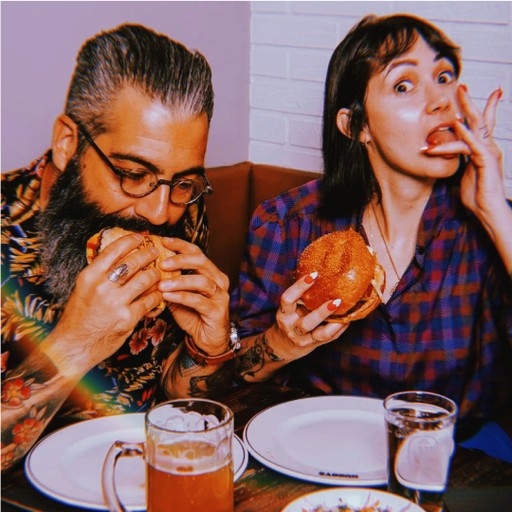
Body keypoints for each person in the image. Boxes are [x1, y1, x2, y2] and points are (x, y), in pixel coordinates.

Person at [232, 14, 512, 444]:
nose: (440, 100)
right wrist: (281, 342)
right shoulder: (288, 223)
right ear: (356, 126)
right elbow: (236, 368)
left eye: (444, 77)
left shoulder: (488, 227)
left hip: (458, 460)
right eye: (404, 85)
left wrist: (494, 210)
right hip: (321, 449)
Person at [1, 24, 238, 472]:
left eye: (183, 183)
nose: (160, 212)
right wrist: (74, 346)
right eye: (133, 174)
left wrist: (205, 350)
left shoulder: (181, 212)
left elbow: (174, 396)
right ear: (68, 143)